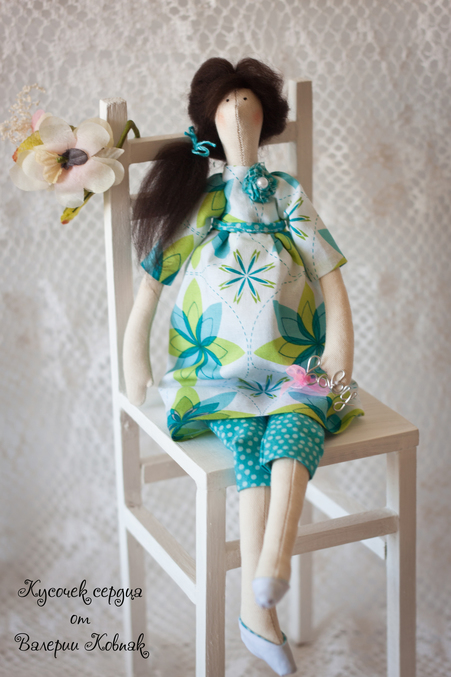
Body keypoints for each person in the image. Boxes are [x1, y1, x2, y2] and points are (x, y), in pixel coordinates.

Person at [123, 57, 362, 676]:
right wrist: (133, 346)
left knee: (299, 419)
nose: (236, 113)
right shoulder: (204, 199)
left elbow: (328, 271)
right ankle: (259, 613)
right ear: (210, 121)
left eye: (246, 103)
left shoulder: (287, 193)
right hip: (216, 367)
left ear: (266, 118)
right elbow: (156, 276)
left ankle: (269, 573)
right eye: (226, 105)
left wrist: (339, 351)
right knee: (249, 443)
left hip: (292, 360)